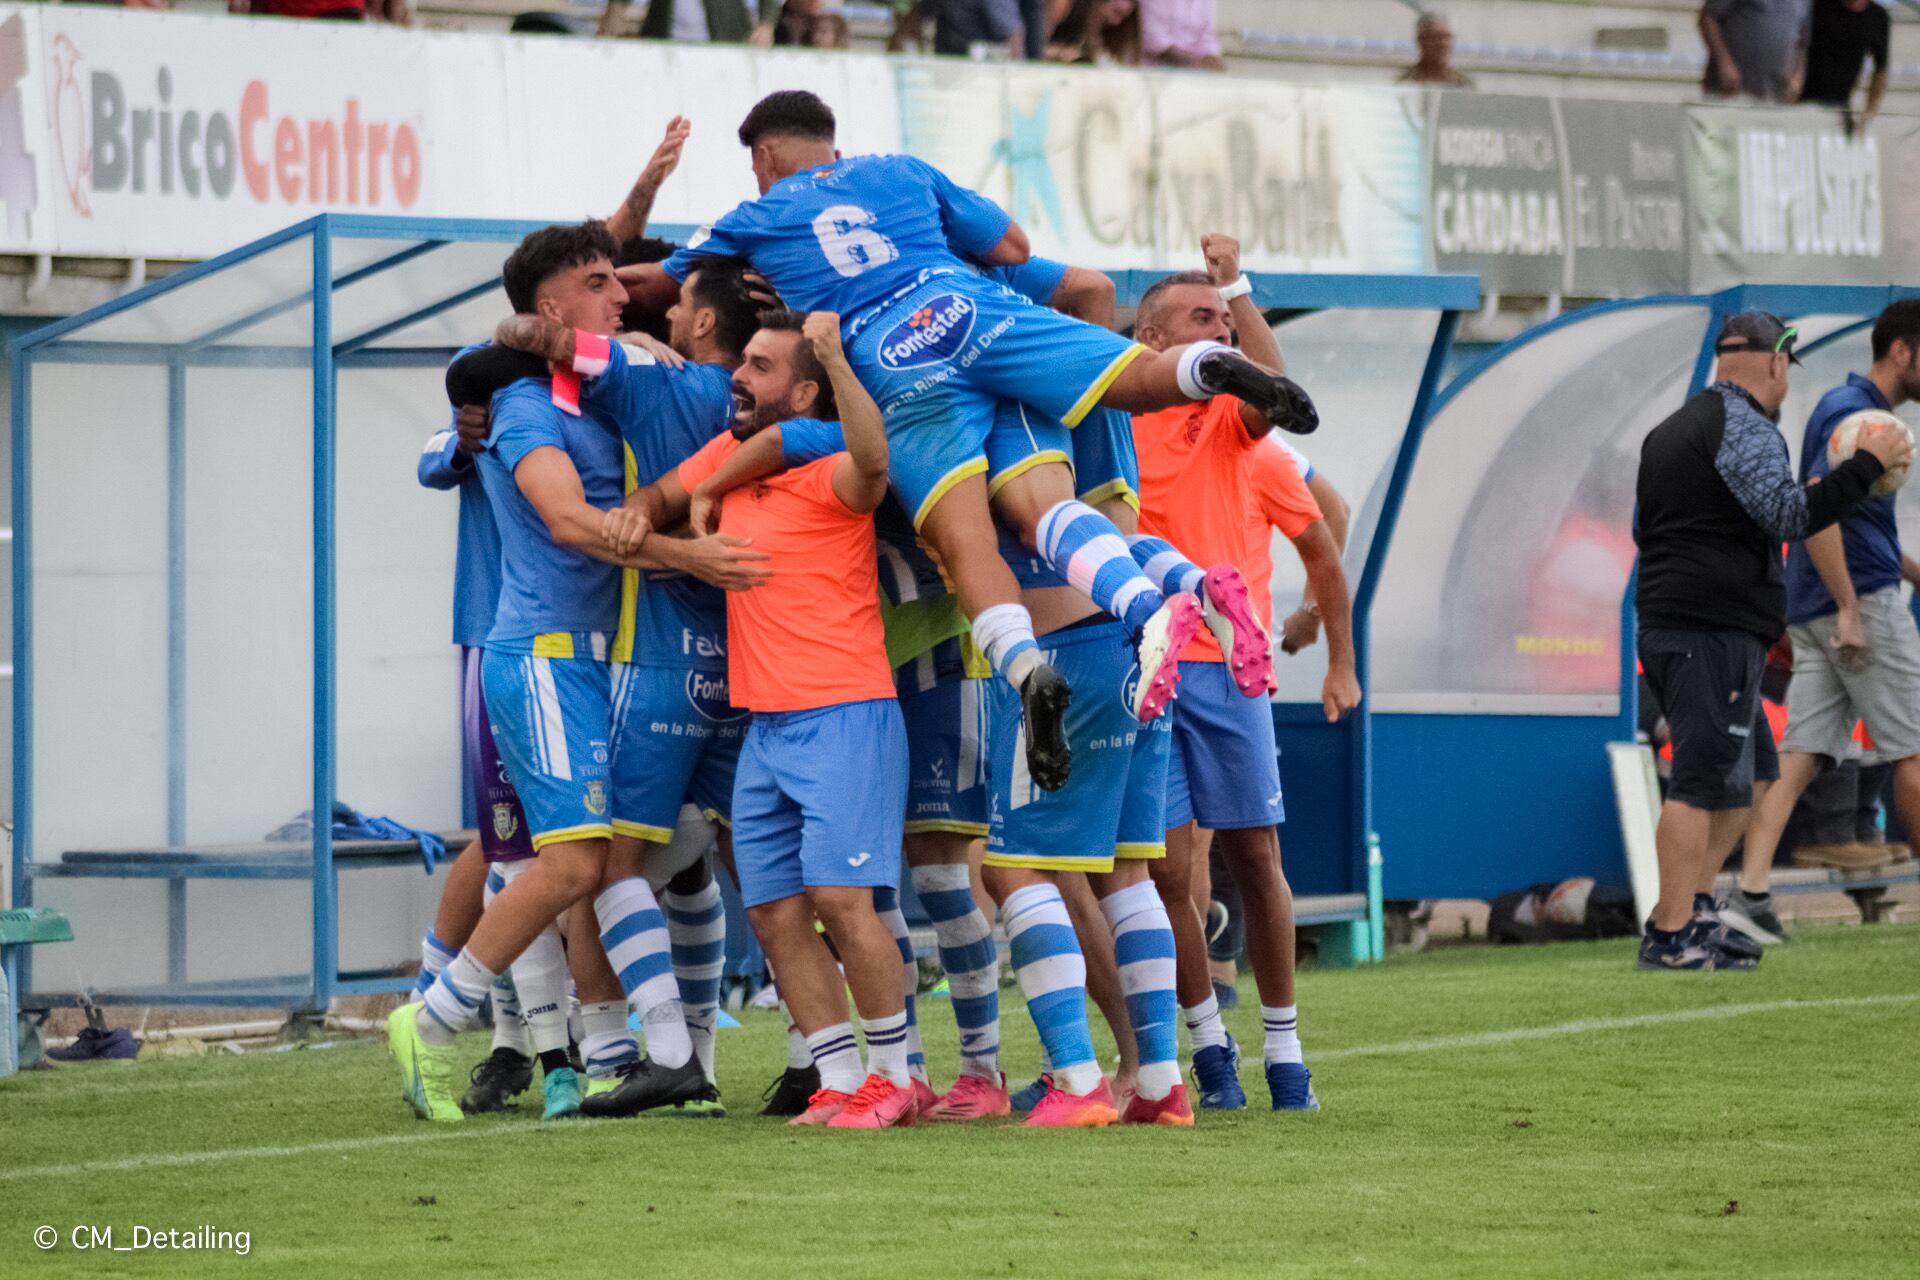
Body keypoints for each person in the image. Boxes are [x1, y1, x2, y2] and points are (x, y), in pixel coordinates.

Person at [620, 91, 1316, 793]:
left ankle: (1036, 667)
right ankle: (1203, 388)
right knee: (1118, 414)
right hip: (987, 325)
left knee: (972, 544)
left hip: (901, 370)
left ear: (763, 158)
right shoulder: (905, 174)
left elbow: (648, 283)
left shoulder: (754, 221)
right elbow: (1053, 267)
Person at [389, 223, 763, 1124]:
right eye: (598, 282)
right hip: (544, 657)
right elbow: (564, 521)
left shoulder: (602, 392)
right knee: (565, 866)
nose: (619, 294)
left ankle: (641, 1055)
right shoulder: (521, 407)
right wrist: (690, 556)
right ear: (551, 309)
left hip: (607, 661)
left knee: (605, 863)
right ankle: (439, 1024)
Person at [623, 311, 917, 1127]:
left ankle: (894, 1076)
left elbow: (873, 458)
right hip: (768, 724)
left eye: (758, 367)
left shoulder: (827, 456)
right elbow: (651, 505)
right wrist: (655, 526)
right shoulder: (724, 454)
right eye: (740, 363)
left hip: (844, 713)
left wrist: (831, 350)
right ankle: (836, 1079)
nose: (738, 378)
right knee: (773, 909)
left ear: (805, 390)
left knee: (844, 901)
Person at [1129, 241, 1359, 1113]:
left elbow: (1274, 390)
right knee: (1166, 872)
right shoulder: (1111, 416)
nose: (1219, 333)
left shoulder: (1231, 419)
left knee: (1257, 856)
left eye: (1223, 325)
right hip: (1145, 666)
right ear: (1153, 336)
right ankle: (1208, 1045)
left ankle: (1287, 1049)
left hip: (1227, 670)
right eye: (1201, 320)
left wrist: (1235, 287)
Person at [1632, 310, 1908, 971]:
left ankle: (1696, 911)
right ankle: (1670, 936)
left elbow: (1649, 531)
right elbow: (1788, 515)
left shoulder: (1670, 429)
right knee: (1700, 784)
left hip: (1682, 625)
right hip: (1708, 632)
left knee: (1753, 775)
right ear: (1777, 363)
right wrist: (1862, 467)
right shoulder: (1745, 425)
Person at [1726, 301, 1920, 944]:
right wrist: (1849, 608)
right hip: (1854, 606)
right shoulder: (1854, 416)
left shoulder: (1852, 408)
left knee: (1800, 756)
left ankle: (1749, 895)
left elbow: (1854, 519)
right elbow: (1820, 516)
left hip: (1821, 609)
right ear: (1902, 352)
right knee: (1913, 748)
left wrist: (1910, 572)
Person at [1699, 0, 1811, 102]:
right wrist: (1724, 62)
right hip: (1733, 90)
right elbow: (1708, 18)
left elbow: (1803, 40)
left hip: (1777, 94)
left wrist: (1798, 77)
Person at [1801, 0, 1890, 126]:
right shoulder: (1818, 6)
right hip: (1802, 100)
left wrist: (1867, 114)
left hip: (1840, 107)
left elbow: (1881, 71)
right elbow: (1797, 48)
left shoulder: (1877, 17)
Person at [1049, 0, 1142, 64]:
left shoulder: (1106, 34)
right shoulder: (1064, 8)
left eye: (1123, 17)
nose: (1116, 22)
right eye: (1116, 12)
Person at [1397, 11, 1474, 87]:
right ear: (1421, 40)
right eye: (1435, 38)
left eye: (1447, 37)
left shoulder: (1464, 85)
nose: (1443, 44)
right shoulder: (1404, 83)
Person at [1141, 0, 1224, 70]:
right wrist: (1195, 63)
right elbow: (1154, 40)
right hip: (1156, 70)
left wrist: (1211, 58)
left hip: (1195, 70)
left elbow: (1207, 36)